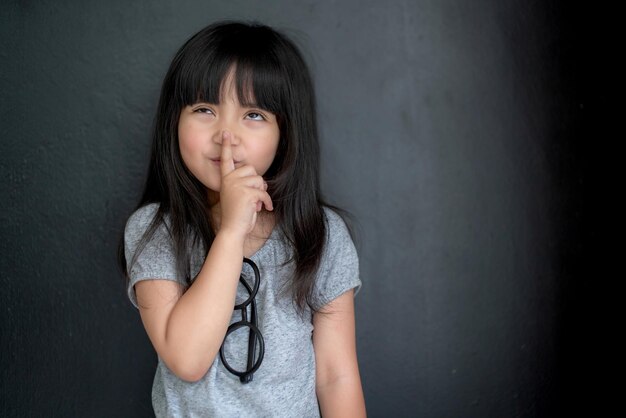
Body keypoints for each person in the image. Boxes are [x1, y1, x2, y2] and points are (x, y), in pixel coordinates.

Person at [119, 21, 366, 417]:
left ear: (285, 133)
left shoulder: (319, 234)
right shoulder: (155, 230)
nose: (226, 135)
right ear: (174, 121)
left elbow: (336, 375)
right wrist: (232, 232)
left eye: (253, 115)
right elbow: (187, 359)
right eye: (204, 109)